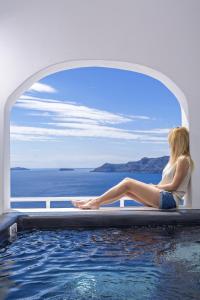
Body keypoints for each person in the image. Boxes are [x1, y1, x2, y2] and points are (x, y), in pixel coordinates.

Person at [72, 126, 194, 210]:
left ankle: (94, 202)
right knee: (127, 191)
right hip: (163, 197)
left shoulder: (183, 159)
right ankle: (94, 201)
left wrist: (153, 186)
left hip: (170, 200)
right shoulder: (173, 160)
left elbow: (174, 186)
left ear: (177, 142)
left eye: (171, 141)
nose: (169, 144)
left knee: (128, 182)